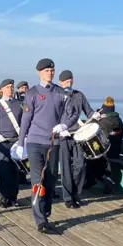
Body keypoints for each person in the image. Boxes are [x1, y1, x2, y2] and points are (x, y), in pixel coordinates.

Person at [16, 58, 70, 233]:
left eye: (52, 70)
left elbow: (68, 113)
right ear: (40, 72)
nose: (50, 73)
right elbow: (26, 119)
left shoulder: (61, 92)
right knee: (37, 181)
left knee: (51, 179)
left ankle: (45, 213)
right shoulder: (32, 93)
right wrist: (20, 142)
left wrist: (63, 125)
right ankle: (40, 219)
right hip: (34, 142)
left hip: (53, 143)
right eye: (47, 71)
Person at [58, 70, 101, 209]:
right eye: (65, 81)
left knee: (80, 165)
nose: (68, 82)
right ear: (61, 82)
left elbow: (88, 112)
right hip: (63, 136)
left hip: (78, 135)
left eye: (70, 80)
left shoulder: (79, 95)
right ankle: (68, 198)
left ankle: (76, 193)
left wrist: (95, 114)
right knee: (65, 167)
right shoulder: (56, 95)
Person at [0, 79, 23, 208]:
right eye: (8, 87)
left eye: (12, 87)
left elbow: (24, 122)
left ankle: (14, 197)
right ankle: (4, 197)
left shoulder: (19, 104)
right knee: (3, 169)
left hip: (16, 141)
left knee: (15, 170)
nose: (10, 89)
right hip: (2, 141)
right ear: (2, 89)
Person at [85, 96, 123, 194]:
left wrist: (96, 116)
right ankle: (92, 180)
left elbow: (90, 126)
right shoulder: (118, 120)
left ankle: (104, 181)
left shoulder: (103, 122)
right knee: (93, 157)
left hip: (106, 152)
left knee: (90, 157)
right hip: (116, 151)